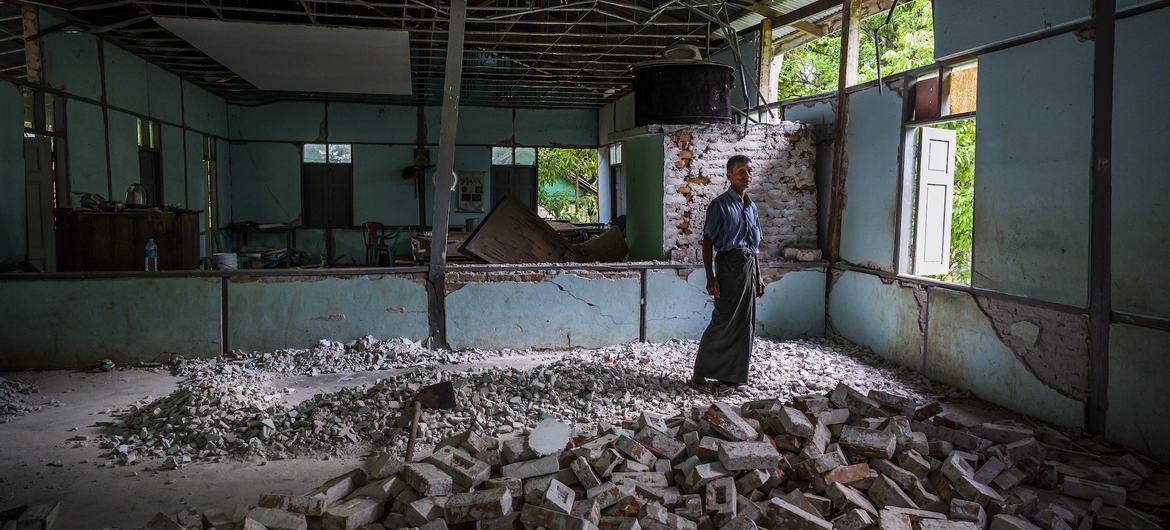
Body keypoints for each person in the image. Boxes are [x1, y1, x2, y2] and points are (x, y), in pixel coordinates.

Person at [690, 154, 764, 394]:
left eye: (750, 171)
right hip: (729, 266)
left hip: (748, 267)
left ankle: (733, 376)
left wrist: (759, 276)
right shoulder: (720, 205)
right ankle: (700, 372)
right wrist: (711, 278)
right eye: (741, 171)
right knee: (723, 319)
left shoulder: (751, 206)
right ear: (729, 175)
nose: (747, 175)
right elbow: (707, 241)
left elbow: (754, 246)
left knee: (745, 323)